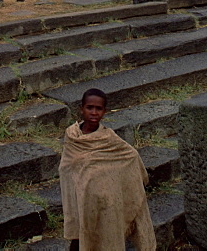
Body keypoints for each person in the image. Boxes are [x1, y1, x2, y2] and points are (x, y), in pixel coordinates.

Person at [59, 88, 155, 251]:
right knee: (80, 239)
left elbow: (131, 155)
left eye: (99, 109)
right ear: (81, 109)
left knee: (106, 237)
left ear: (104, 112)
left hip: (104, 201)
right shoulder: (72, 136)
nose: (94, 112)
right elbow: (66, 168)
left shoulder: (109, 139)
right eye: (90, 107)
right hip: (79, 200)